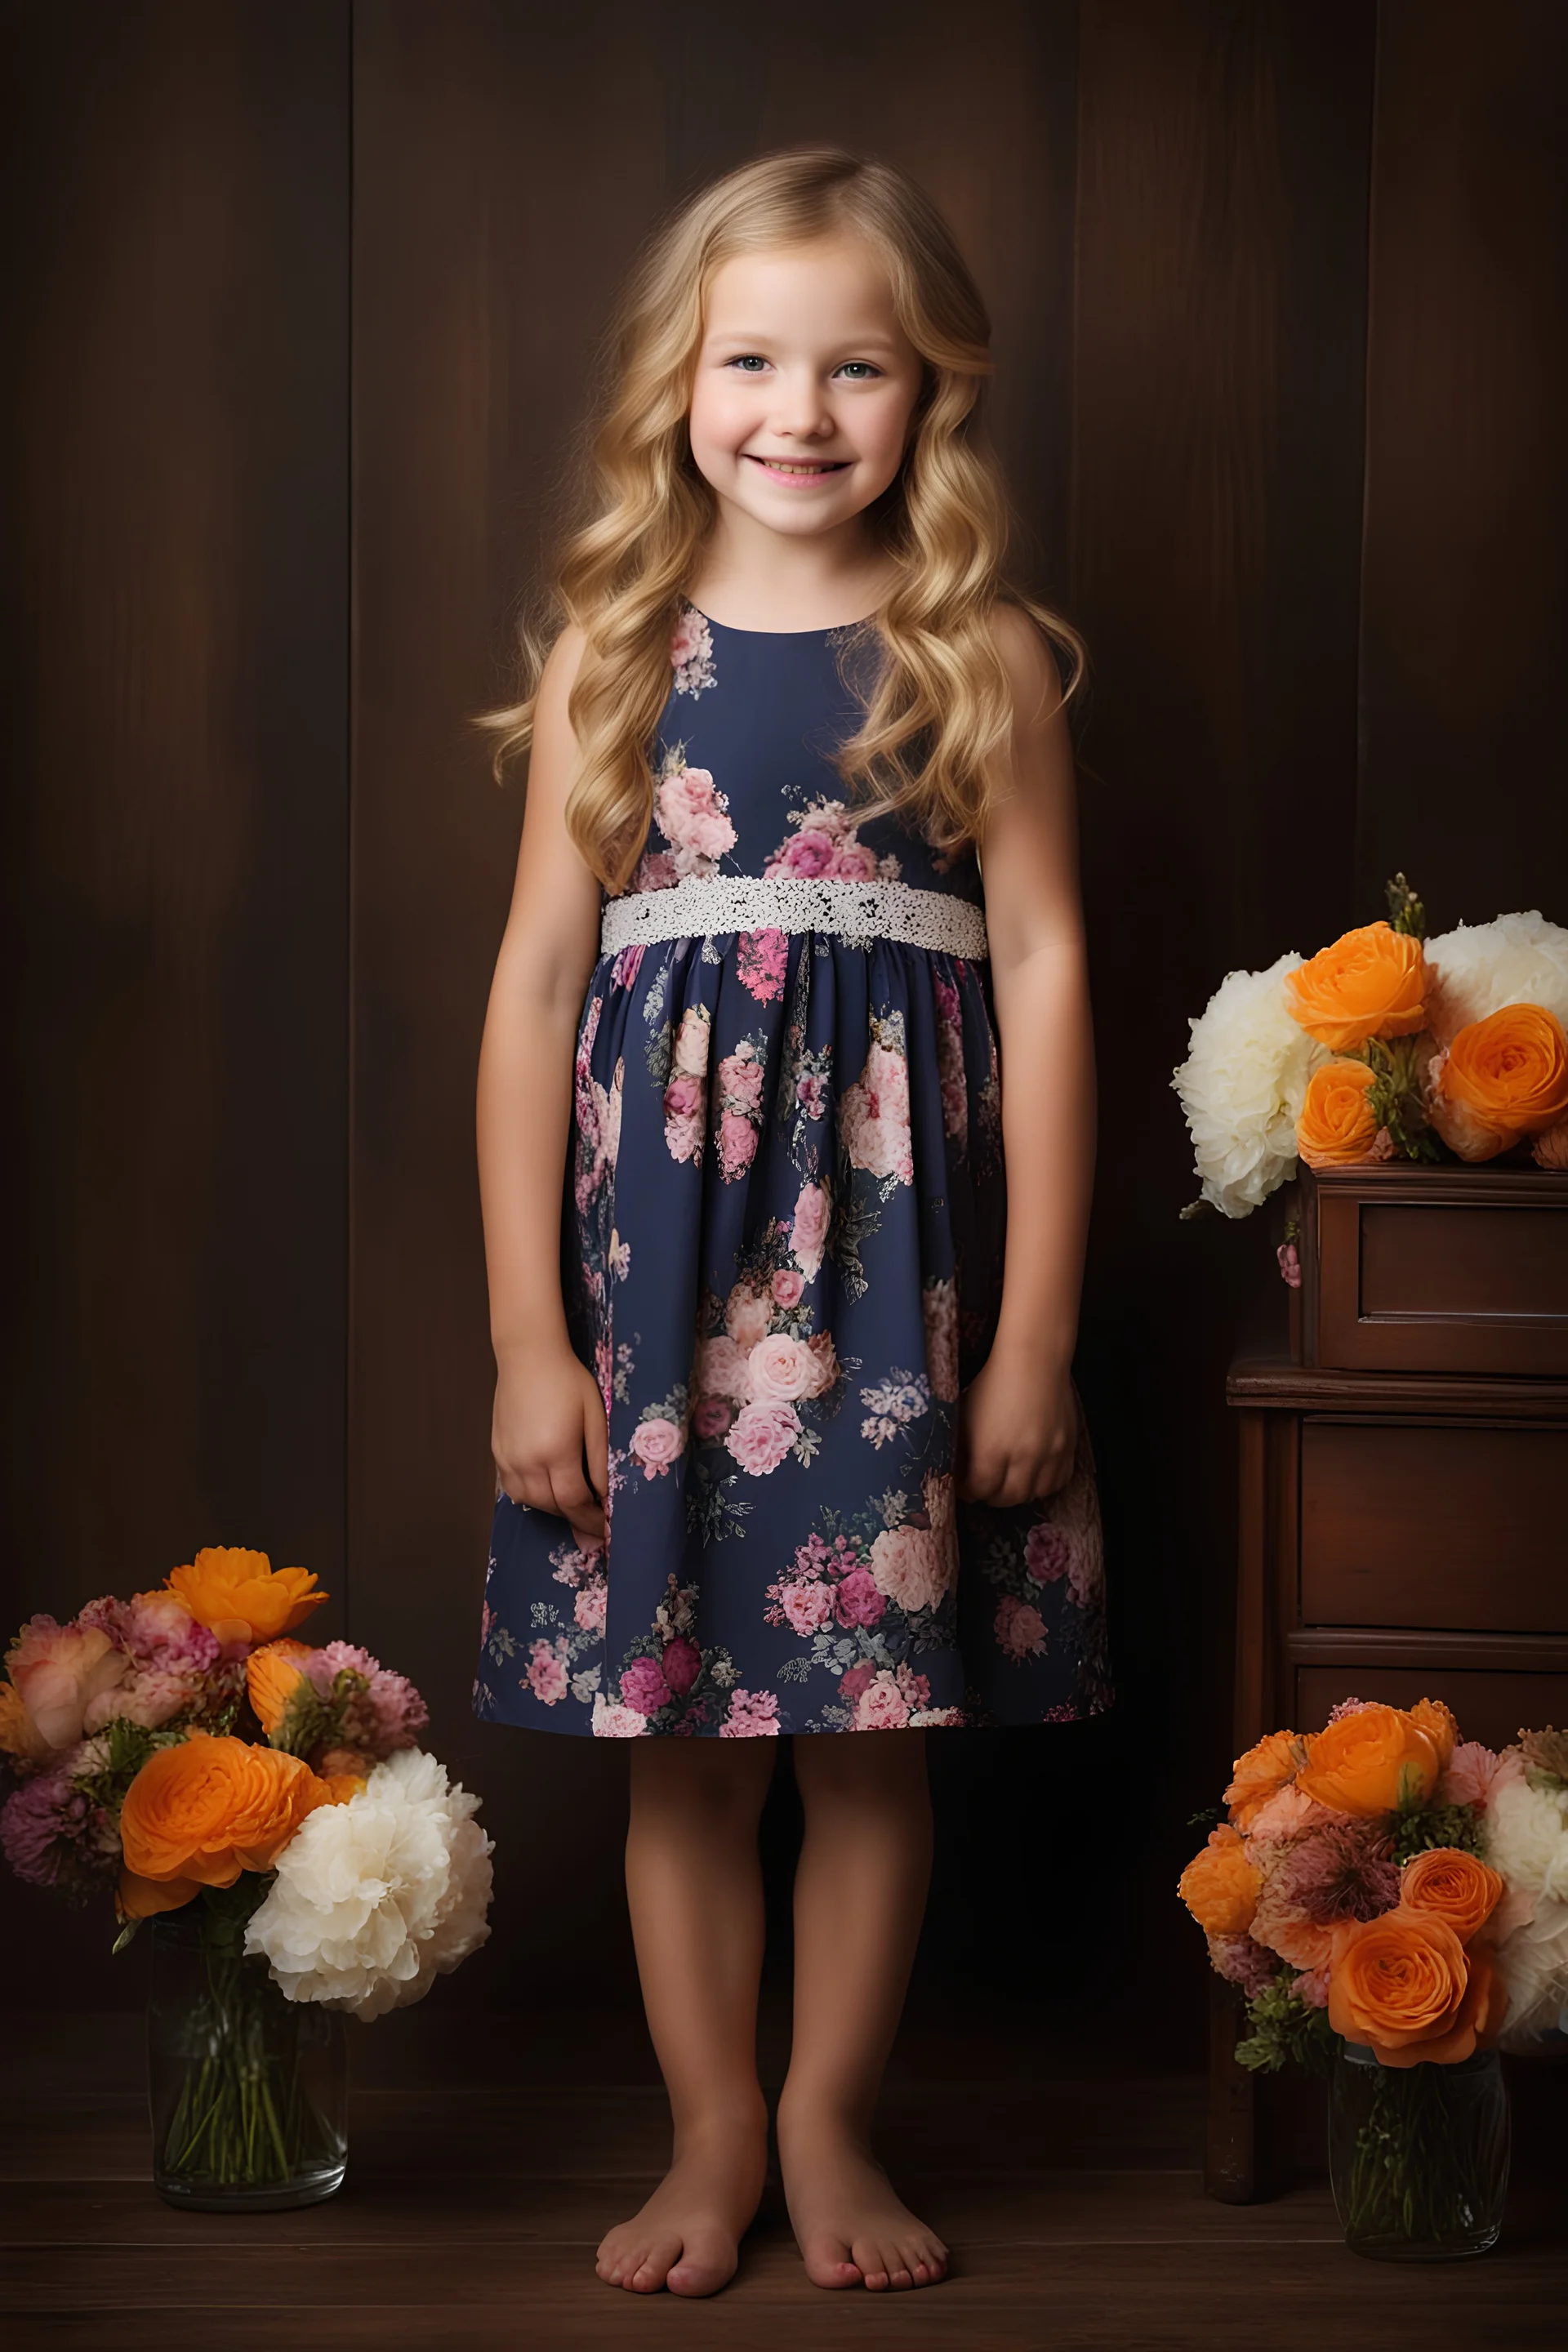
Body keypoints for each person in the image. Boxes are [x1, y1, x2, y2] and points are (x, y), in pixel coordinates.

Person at [471, 144, 1108, 2301]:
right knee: (681, 1745)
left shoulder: (978, 654)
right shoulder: (614, 651)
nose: (803, 414)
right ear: (682, 379)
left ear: (931, 393)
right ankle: (713, 2132)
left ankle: (831, 2109)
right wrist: (525, 1338)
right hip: (655, 1291)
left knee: (861, 1740)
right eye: (755, 360)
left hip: (900, 1284)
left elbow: (1041, 976)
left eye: (859, 368)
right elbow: (539, 989)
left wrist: (1032, 1340)